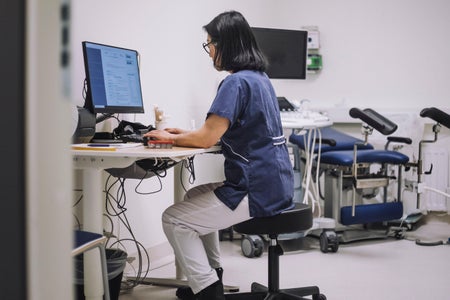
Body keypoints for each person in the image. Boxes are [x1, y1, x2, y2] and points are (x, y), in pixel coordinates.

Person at [144, 10, 294, 300]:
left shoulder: (235, 83)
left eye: (210, 43)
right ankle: (212, 272)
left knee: (173, 218)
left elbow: (207, 136)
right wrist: (177, 136)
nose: (209, 51)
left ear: (228, 44)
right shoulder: (260, 79)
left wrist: (169, 137)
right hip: (275, 184)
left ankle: (208, 290)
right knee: (193, 198)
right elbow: (218, 131)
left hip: (256, 189)